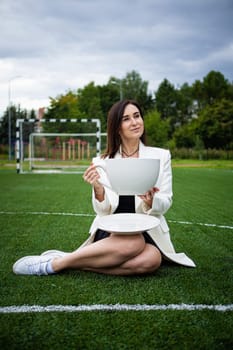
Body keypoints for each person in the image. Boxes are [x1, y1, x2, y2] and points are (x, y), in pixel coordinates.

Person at [13, 99, 195, 276]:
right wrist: (98, 190)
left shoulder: (161, 156)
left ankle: (67, 261)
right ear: (117, 127)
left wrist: (152, 201)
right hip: (112, 230)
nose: (135, 122)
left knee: (152, 259)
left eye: (137, 116)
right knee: (133, 243)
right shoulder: (102, 161)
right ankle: (52, 266)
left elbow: (166, 201)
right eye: (126, 119)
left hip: (148, 229)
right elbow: (101, 210)